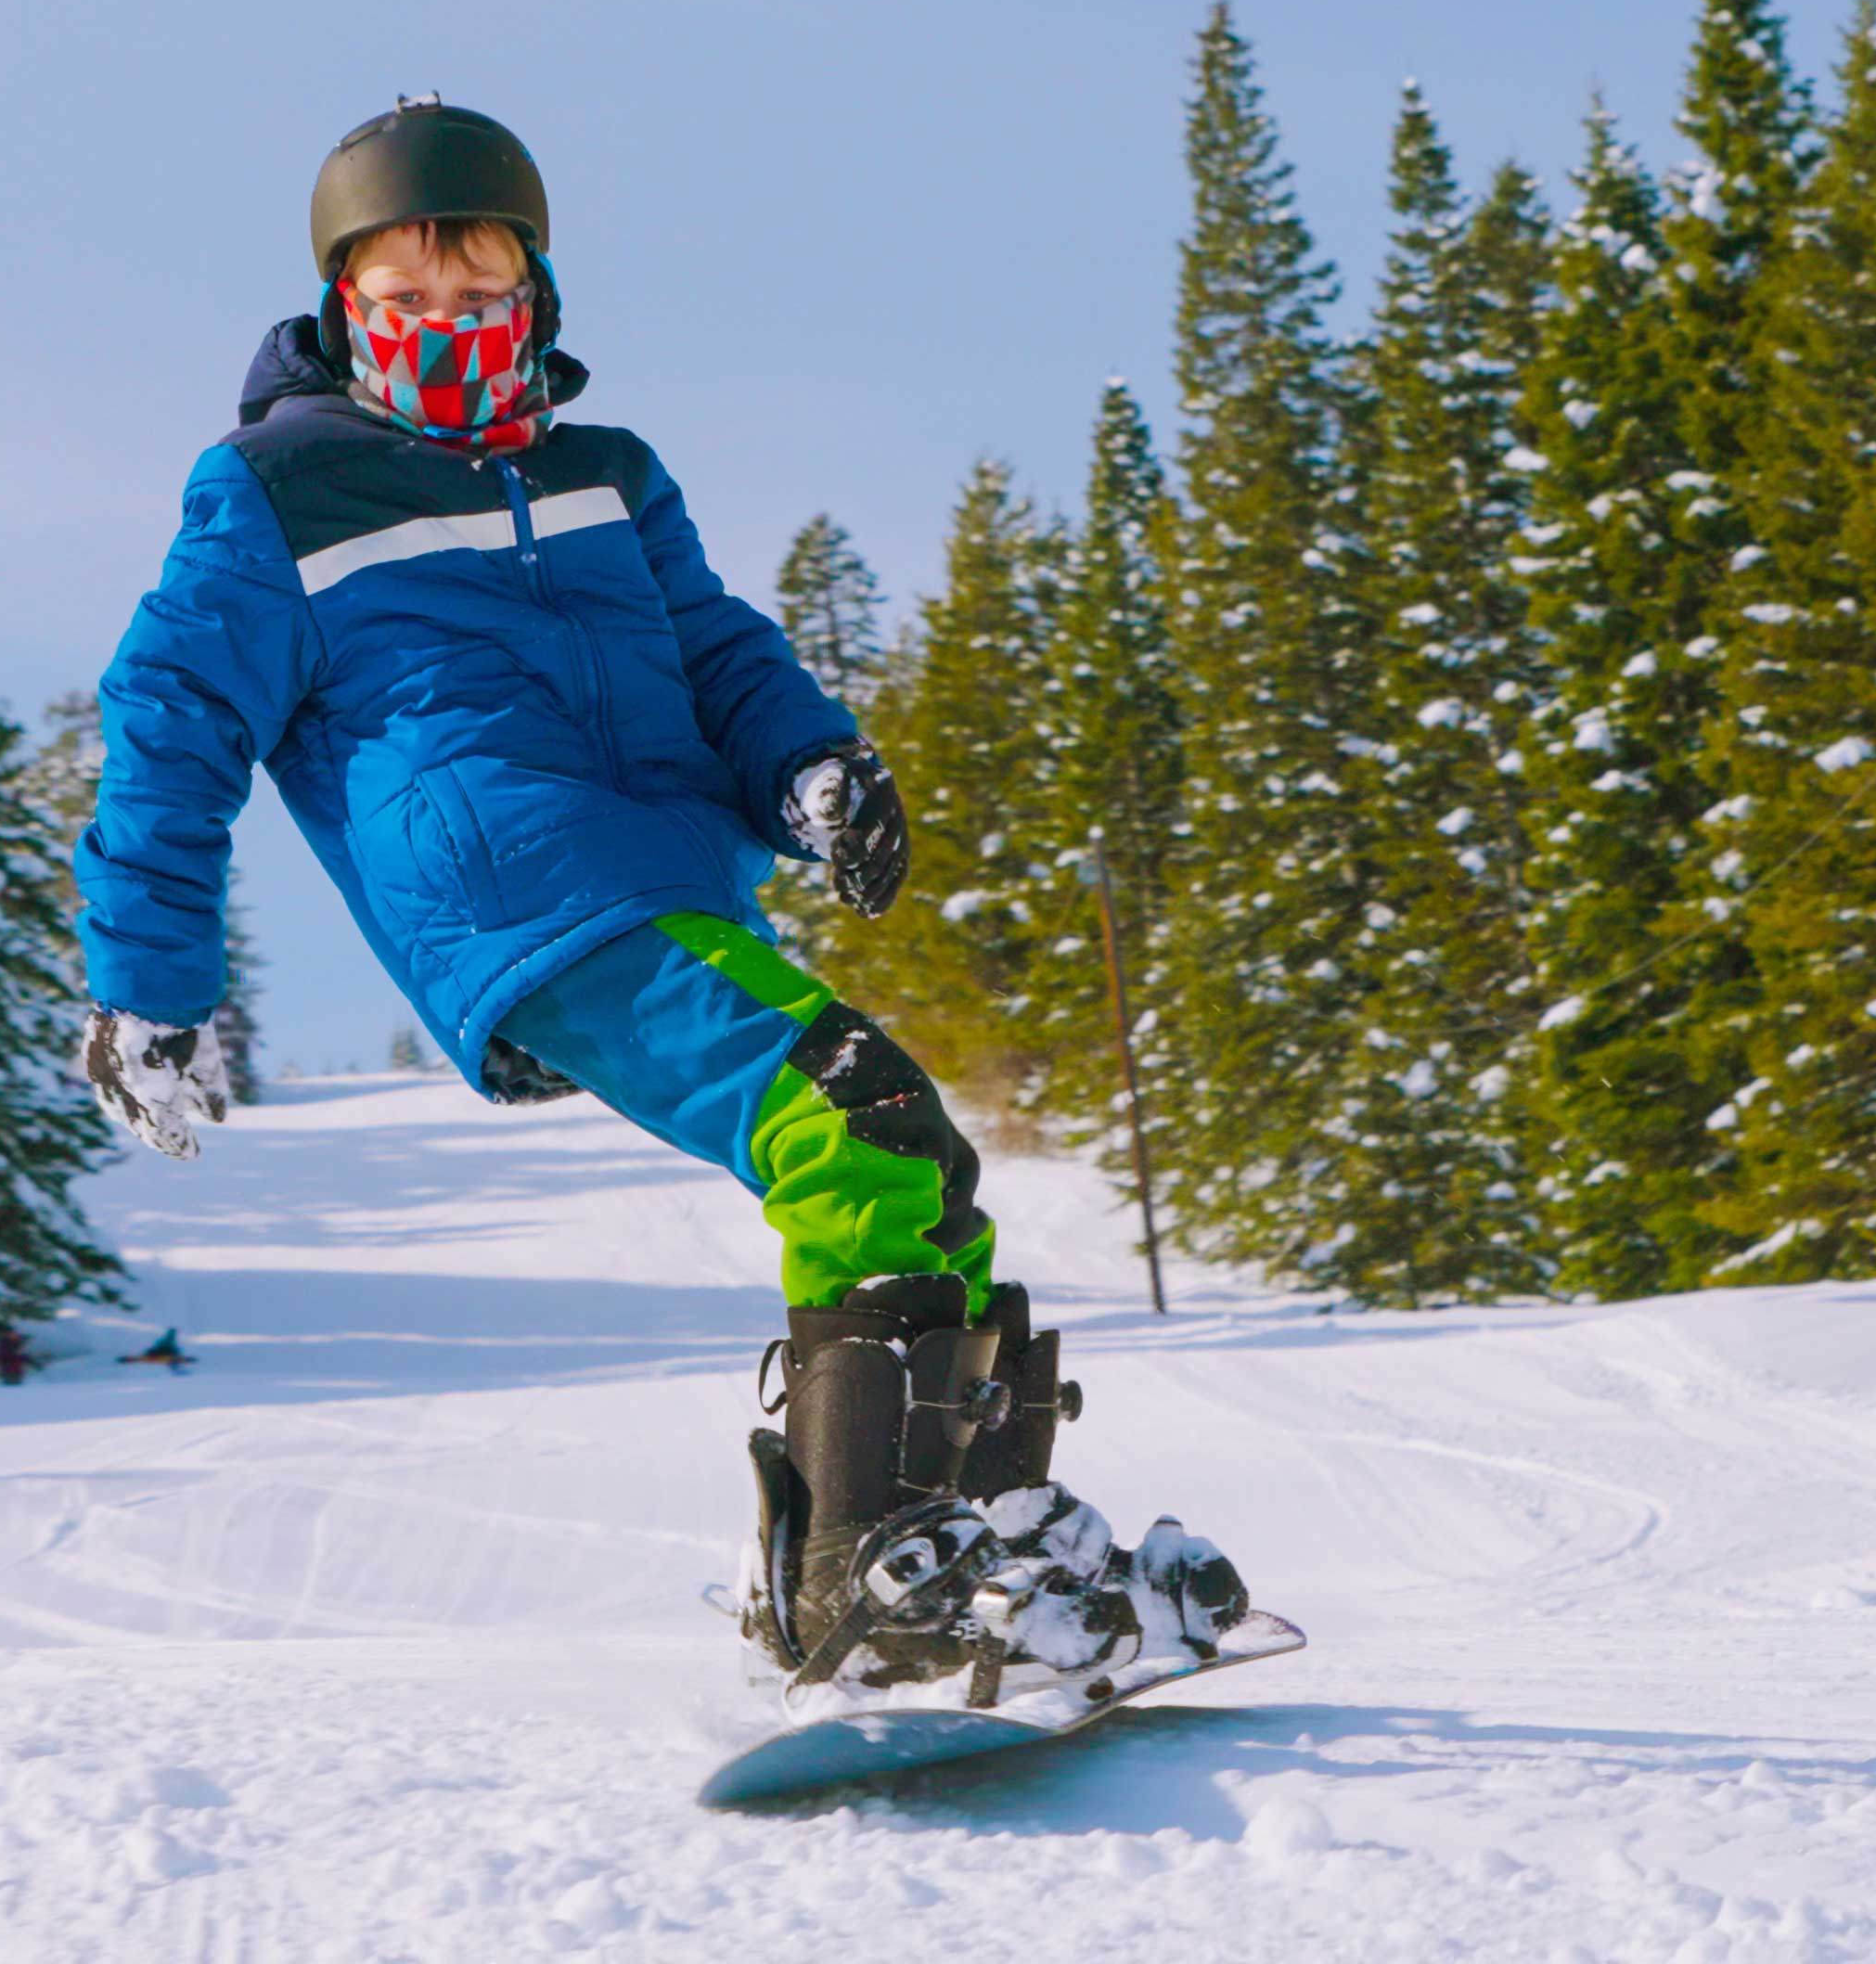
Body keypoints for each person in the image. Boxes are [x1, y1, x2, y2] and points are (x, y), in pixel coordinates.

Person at [71, 98, 1245, 1696]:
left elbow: (713, 648)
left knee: (914, 1165)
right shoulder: (281, 493)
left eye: (475, 301)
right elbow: (170, 717)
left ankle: (983, 1549)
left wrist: (811, 768)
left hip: (667, 876)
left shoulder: (606, 473)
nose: (442, 332)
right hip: (518, 890)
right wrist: (150, 976)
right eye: (403, 306)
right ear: (345, 307)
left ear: (535, 298)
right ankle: (861, 1582)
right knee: (857, 1128)